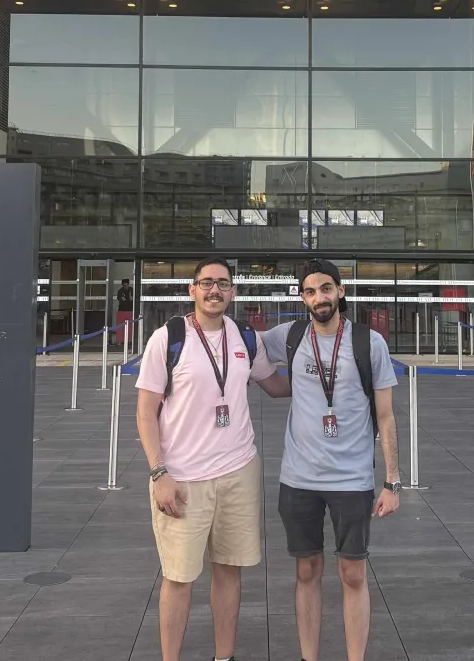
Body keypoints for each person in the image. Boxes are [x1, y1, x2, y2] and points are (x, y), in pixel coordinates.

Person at [135, 257, 290, 661]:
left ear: (233, 292)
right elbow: (145, 412)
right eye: (206, 283)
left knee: (229, 571)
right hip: (183, 478)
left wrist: (328, 377)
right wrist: (158, 472)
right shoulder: (168, 338)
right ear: (192, 290)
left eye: (222, 283)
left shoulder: (244, 337)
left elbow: (274, 386)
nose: (214, 290)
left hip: (239, 471)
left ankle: (225, 657)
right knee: (178, 577)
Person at [261, 260, 402, 661]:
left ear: (340, 291)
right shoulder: (289, 336)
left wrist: (392, 482)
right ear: (302, 297)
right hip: (299, 478)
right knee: (306, 572)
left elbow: (386, 416)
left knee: (352, 574)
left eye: (326, 288)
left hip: (352, 480)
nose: (318, 297)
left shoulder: (369, 342)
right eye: (310, 291)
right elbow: (240, 341)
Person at [116, 277, 135, 350]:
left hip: (130, 310)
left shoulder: (132, 290)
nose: (125, 287)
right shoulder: (120, 291)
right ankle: (120, 340)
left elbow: (134, 298)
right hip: (122, 310)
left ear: (128, 284)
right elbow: (120, 299)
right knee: (121, 327)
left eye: (126, 285)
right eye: (124, 285)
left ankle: (130, 340)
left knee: (130, 327)